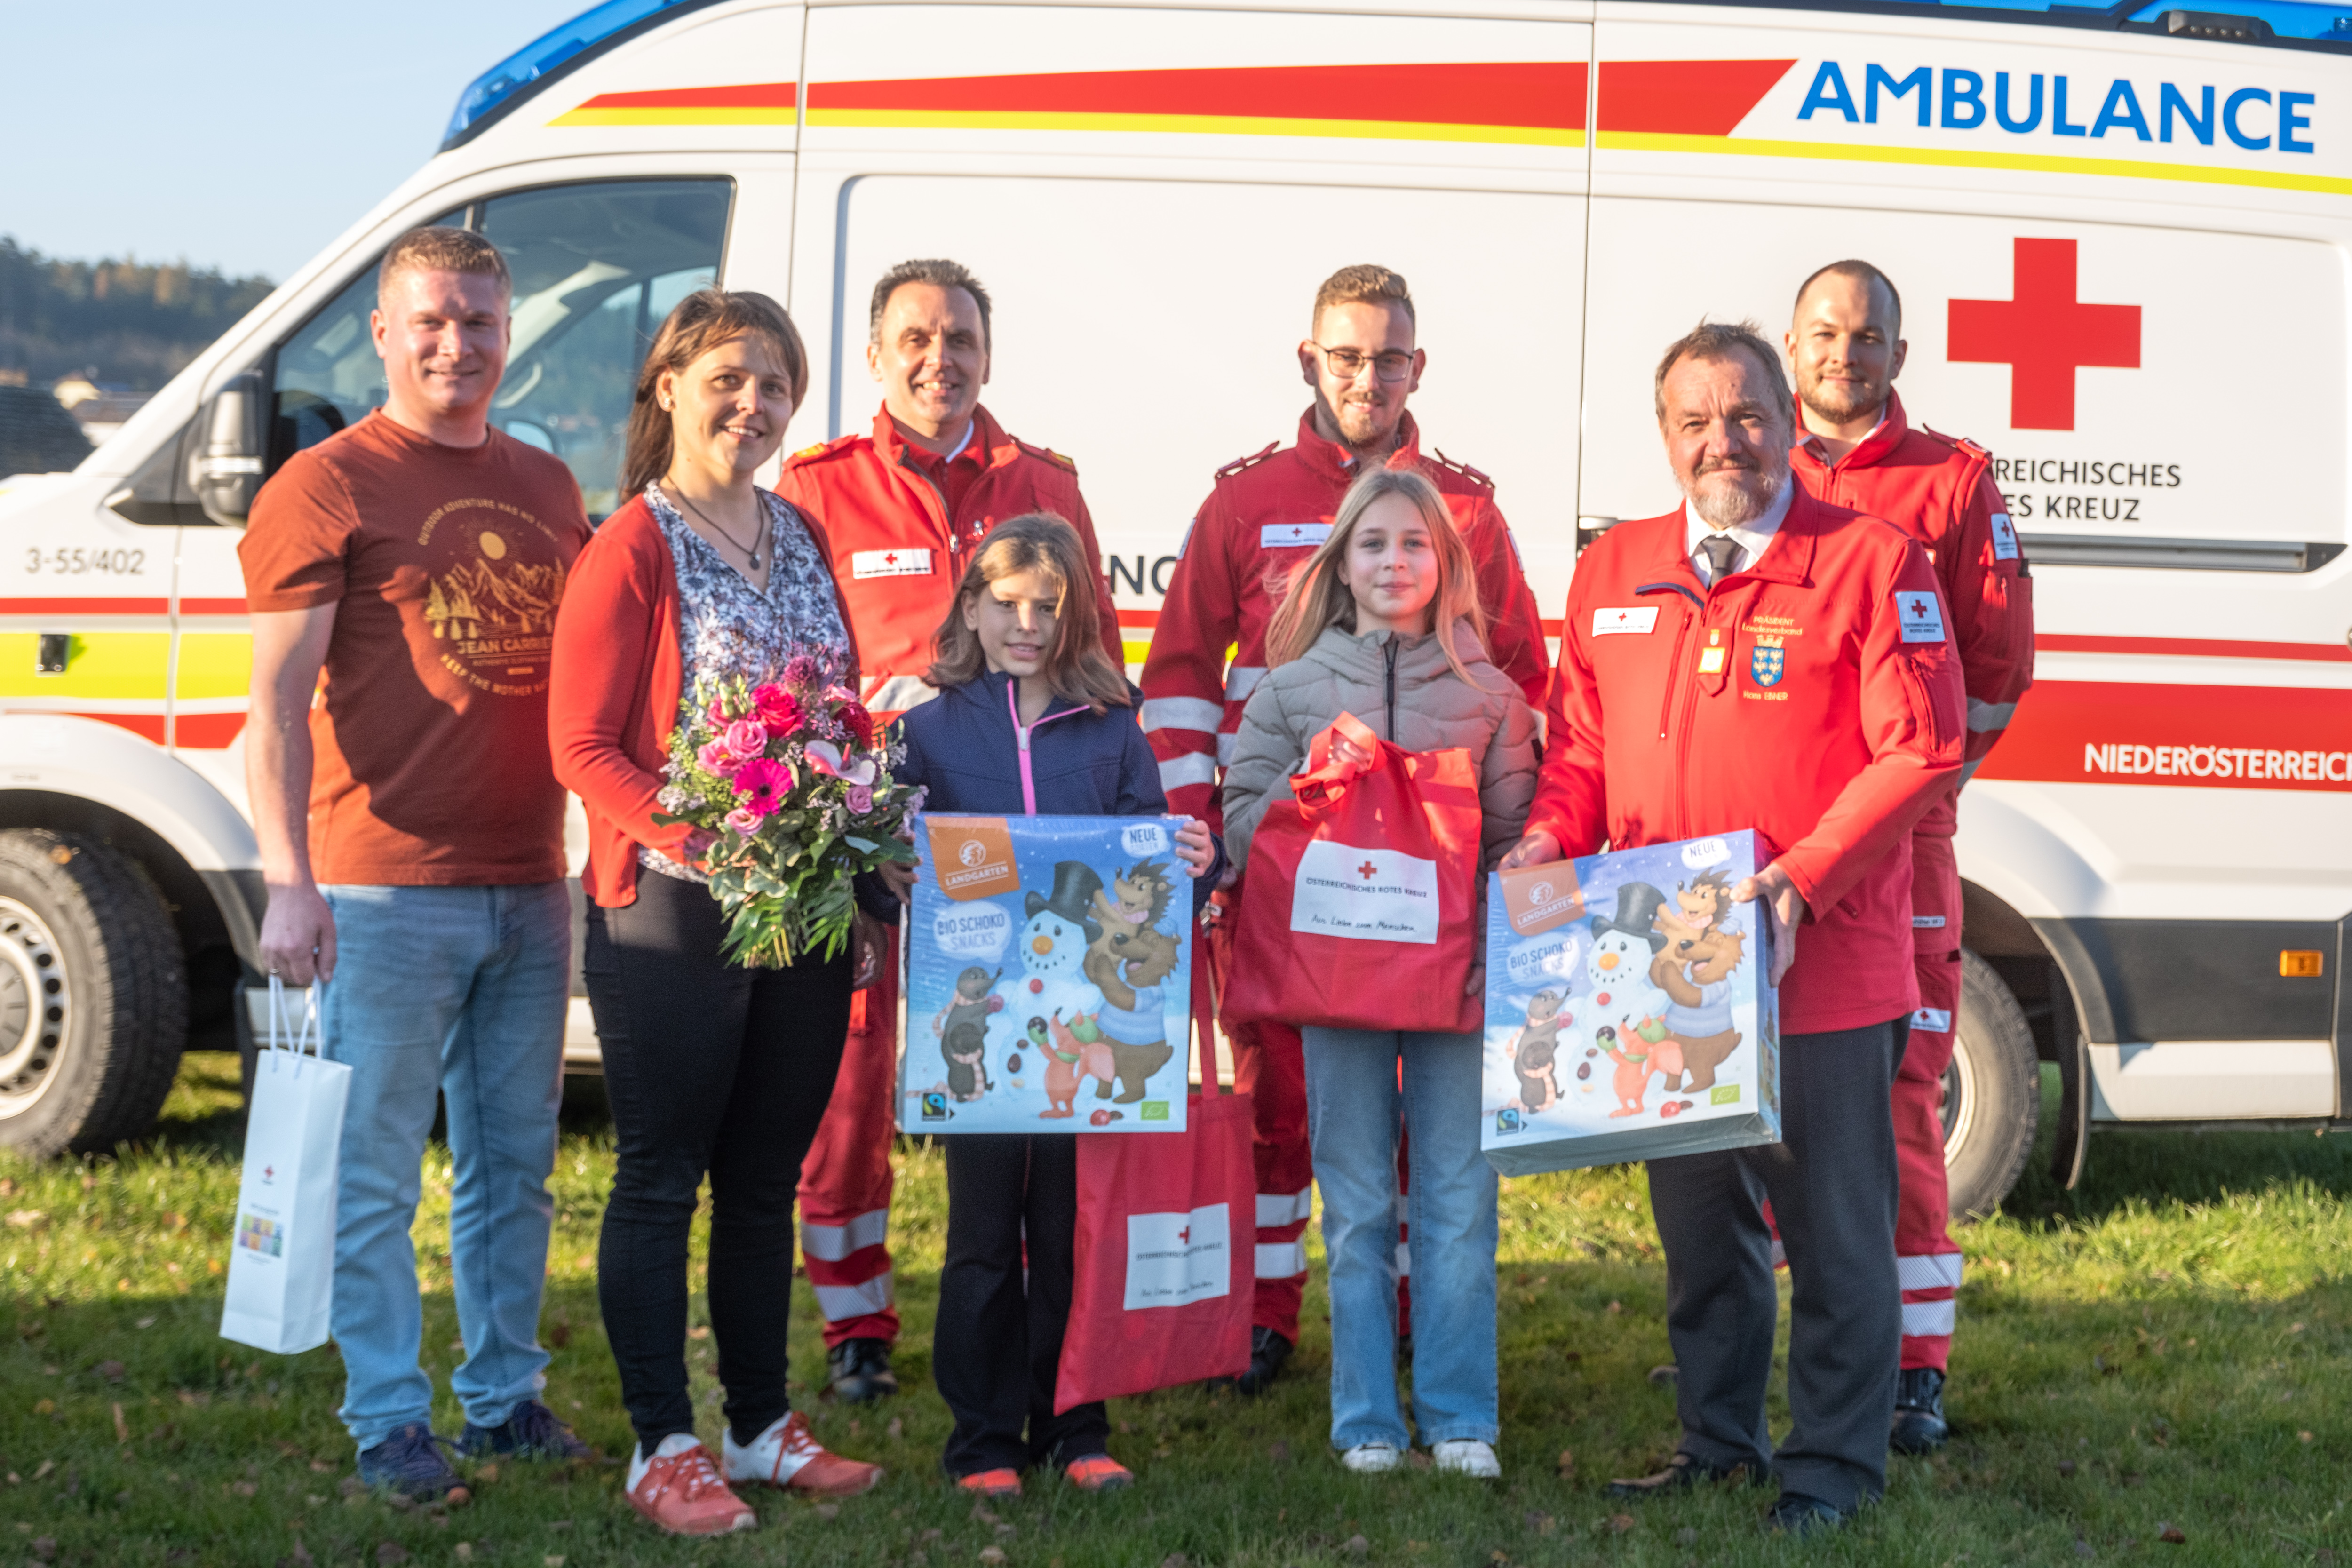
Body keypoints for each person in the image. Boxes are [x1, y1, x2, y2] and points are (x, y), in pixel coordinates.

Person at [1504, 321, 1963, 1531]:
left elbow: (1919, 748)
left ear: (1786, 420)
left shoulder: (1872, 562)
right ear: (1664, 436)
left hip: (1818, 967)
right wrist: (1553, 836)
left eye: (1747, 414)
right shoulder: (1614, 571)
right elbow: (1586, 750)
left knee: (1836, 1236)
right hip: (1665, 979)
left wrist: (1802, 879)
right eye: (1695, 420)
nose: (1724, 441)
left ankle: (1830, 1469)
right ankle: (1718, 1440)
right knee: (1703, 1234)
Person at [1138, 263, 1548, 1394]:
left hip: (1440, 891)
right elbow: (1177, 688)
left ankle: (1419, 1312)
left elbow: (1519, 686)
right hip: (1295, 882)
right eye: (1346, 354)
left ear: (1420, 367)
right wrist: (1208, 846)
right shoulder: (1241, 501)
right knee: (1285, 1097)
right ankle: (1269, 1312)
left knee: (1428, 1121)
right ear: (1308, 360)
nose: (1368, 377)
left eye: (1390, 357)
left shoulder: (1464, 509)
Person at [239, 226, 591, 1502]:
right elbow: (270, 706)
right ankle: (390, 1414)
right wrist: (290, 877)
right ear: (383, 332)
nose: (459, 345)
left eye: (482, 324)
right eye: (433, 321)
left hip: (528, 879)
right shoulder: (324, 486)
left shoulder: (549, 486)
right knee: (378, 1174)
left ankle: (502, 1398)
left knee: (516, 1168)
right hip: (382, 889)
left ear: (510, 336)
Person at [548, 289, 884, 1536]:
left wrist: (848, 841)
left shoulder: (798, 535)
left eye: (776, 385)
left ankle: (757, 1423)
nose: (754, 403)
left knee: (760, 1179)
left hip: (801, 912)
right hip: (672, 916)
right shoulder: (634, 544)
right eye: (731, 378)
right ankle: (661, 1443)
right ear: (671, 385)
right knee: (661, 1175)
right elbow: (581, 745)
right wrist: (711, 838)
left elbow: (839, 711)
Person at [779, 258, 1123, 1403]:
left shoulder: (1043, 481)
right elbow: (796, 669)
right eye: (916, 339)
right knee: (852, 1073)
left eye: (962, 339)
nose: (941, 359)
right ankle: (855, 1322)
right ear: (874, 356)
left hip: (1020, 858)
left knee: (1023, 1069)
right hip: (883, 843)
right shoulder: (819, 485)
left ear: (989, 353)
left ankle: (1025, 1309)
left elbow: (1095, 660)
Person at [874, 512, 1224, 1497]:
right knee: (984, 1235)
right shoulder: (924, 730)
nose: (1026, 624)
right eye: (1008, 603)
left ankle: (1075, 1422)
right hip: (972, 1036)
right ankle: (984, 1437)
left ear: (1078, 618)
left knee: (1075, 1228)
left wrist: (1196, 858)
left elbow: (1148, 877)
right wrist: (887, 872)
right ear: (972, 608)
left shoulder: (1115, 728)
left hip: (1085, 1029)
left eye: (1049, 607)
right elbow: (883, 877)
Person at [1220, 466, 1537, 1477]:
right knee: (1355, 1201)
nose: (1394, 561)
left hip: (1458, 989)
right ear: (1340, 566)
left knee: (1456, 1200)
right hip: (1336, 987)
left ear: (1444, 563)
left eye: (1414, 543)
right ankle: (1364, 1418)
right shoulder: (1288, 689)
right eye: (1374, 544)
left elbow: (1519, 841)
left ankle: (1460, 1416)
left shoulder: (1493, 697)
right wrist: (1319, 799)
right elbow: (1241, 827)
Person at [1784, 260, 2035, 1453]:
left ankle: (1913, 1366)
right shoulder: (1747, 464)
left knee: (1901, 1093)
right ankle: (1792, 1345)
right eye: (1825, 333)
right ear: (1791, 347)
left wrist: (1927, 792)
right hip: (1770, 843)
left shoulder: (1950, 480)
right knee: (1745, 1100)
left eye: (1867, 334)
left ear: (1899, 351)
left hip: (1900, 851)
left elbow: (1992, 672)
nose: (1845, 352)